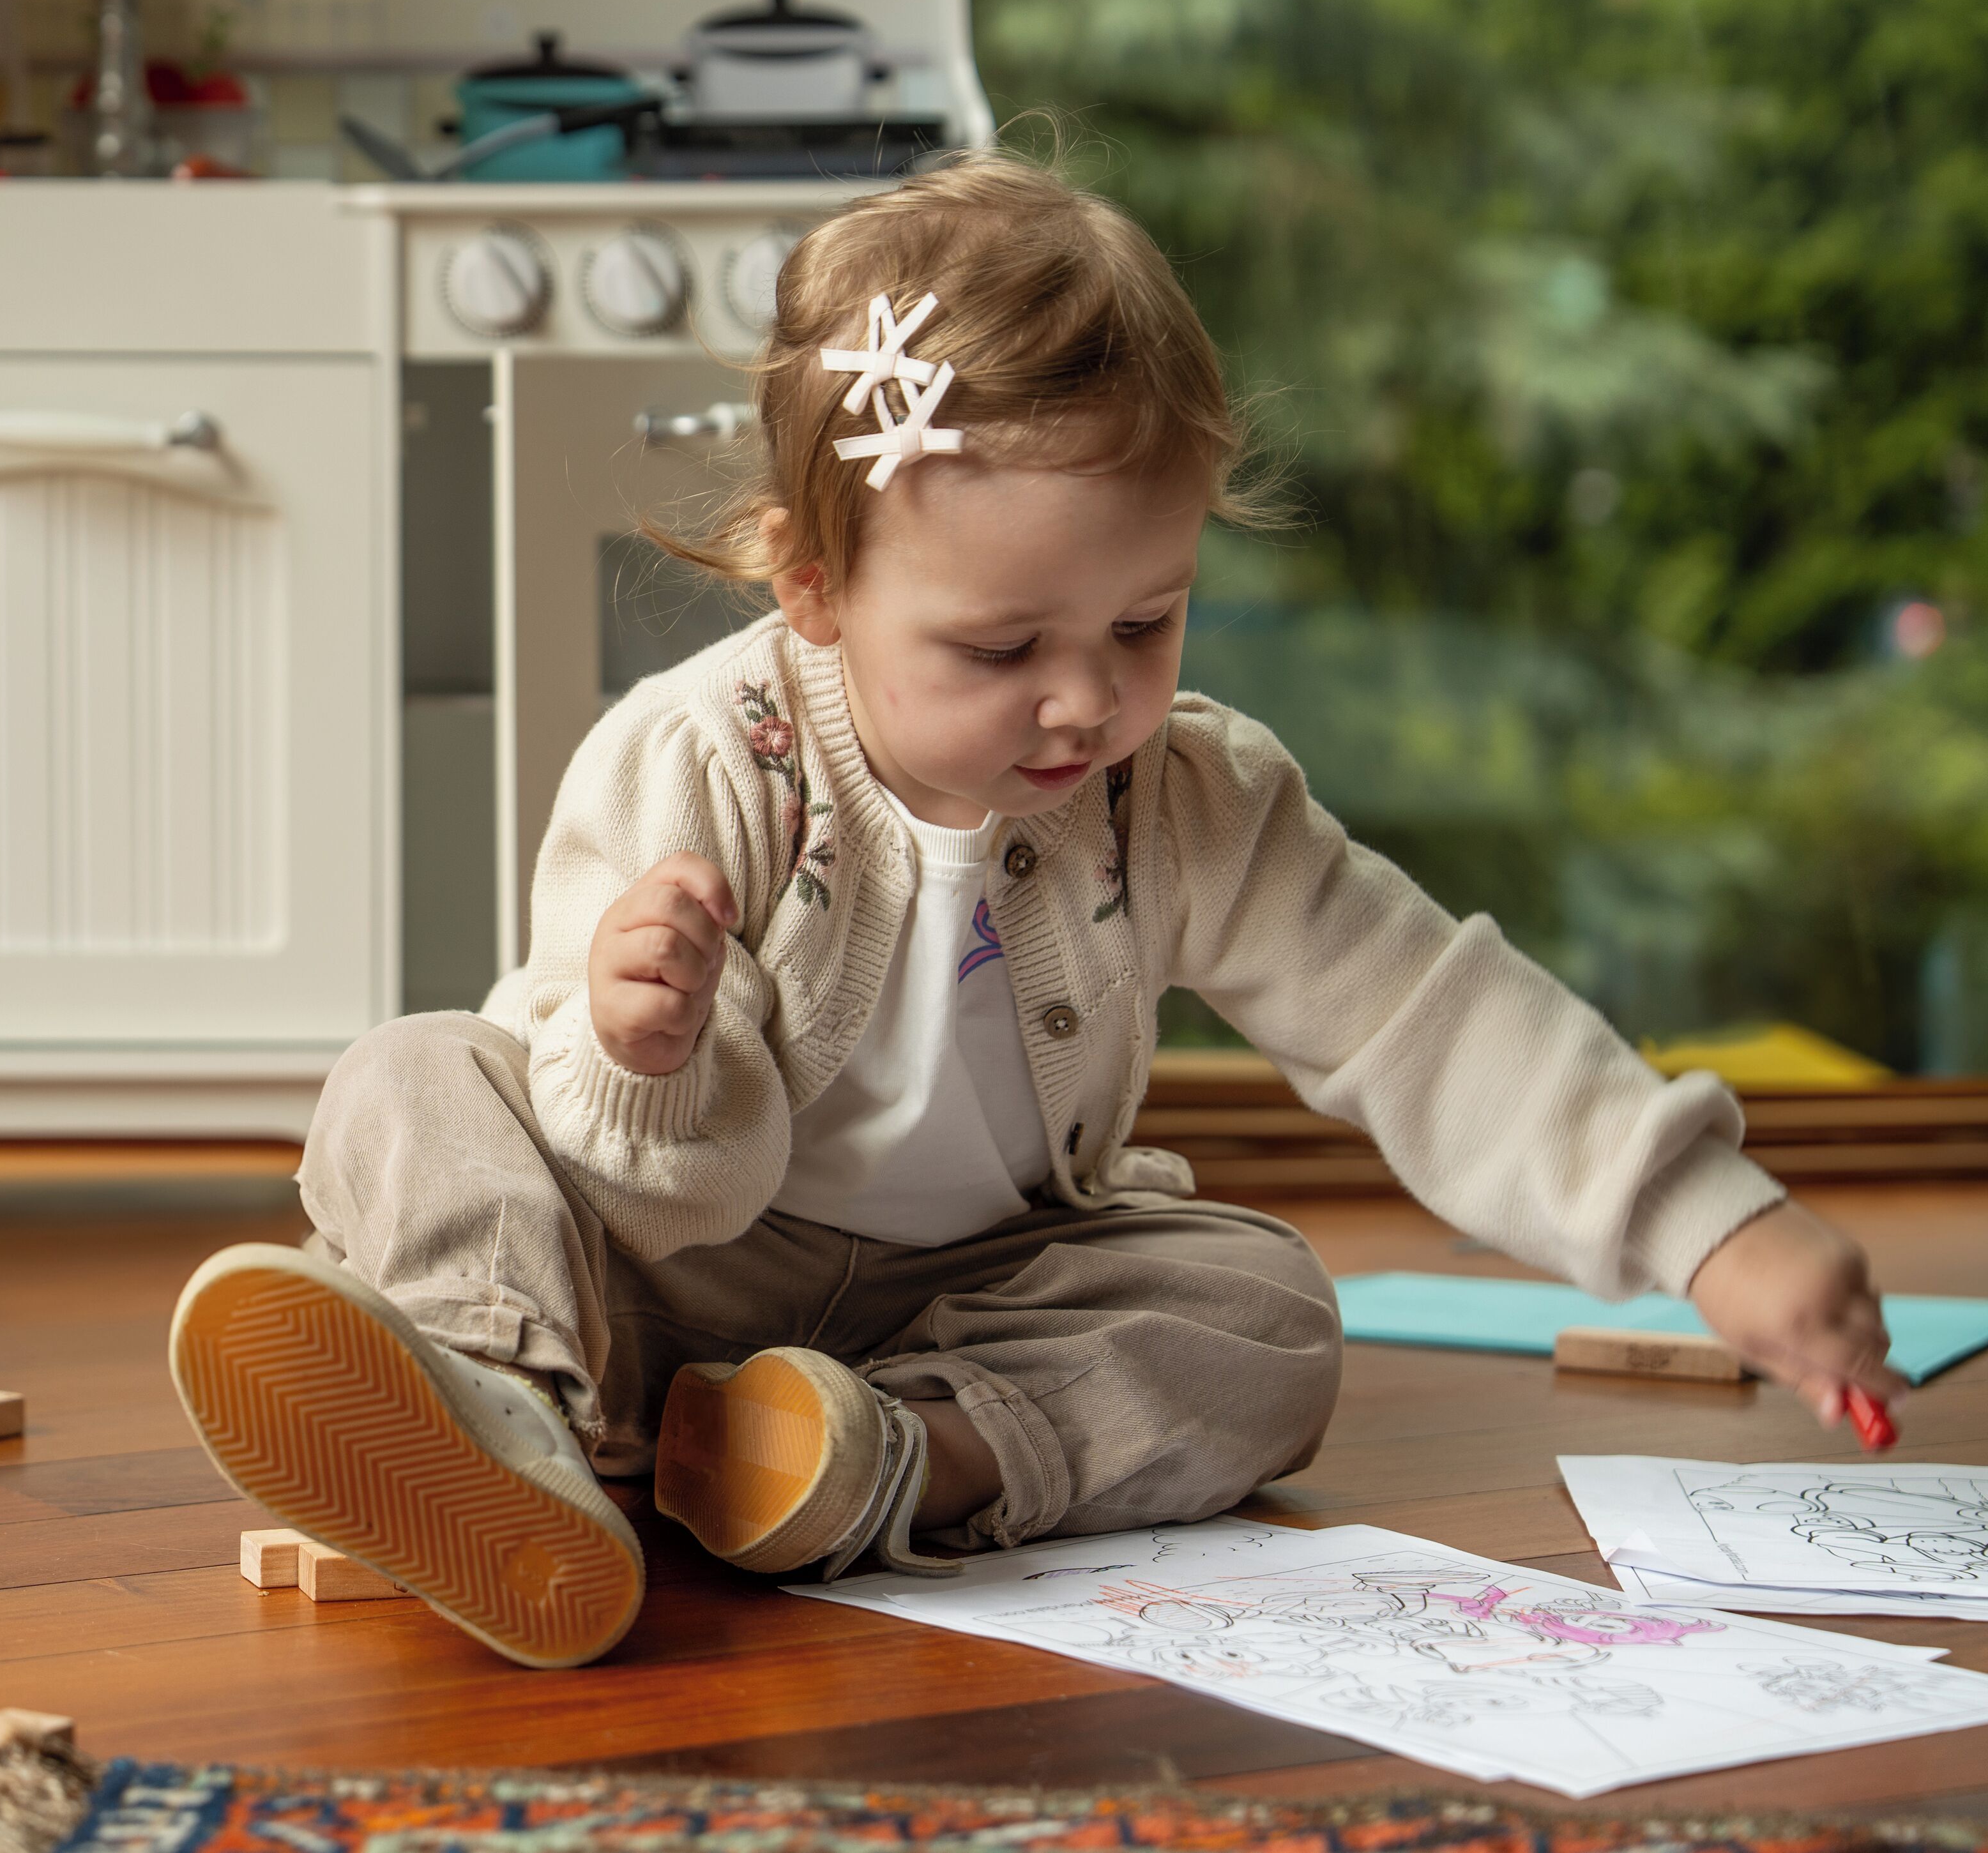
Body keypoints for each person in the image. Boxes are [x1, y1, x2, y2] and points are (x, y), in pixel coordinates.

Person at [165, 151, 1899, 1672]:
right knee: (410, 1079)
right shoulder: (702, 758)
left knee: (1273, 1311)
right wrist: (638, 1045)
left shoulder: (1186, 795)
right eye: (1005, 650)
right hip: (660, 1257)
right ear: (817, 586)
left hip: (970, 1299)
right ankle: (511, 1420)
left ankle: (869, 1459)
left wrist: (1706, 1225)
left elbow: (1423, 1013)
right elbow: (633, 1172)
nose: (1086, 703)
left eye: (1147, 624)